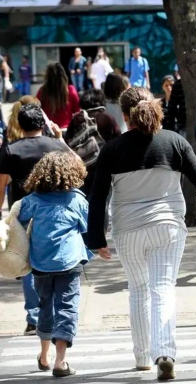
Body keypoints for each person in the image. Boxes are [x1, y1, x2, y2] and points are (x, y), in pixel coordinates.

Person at [88, 87, 196, 380]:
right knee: (163, 289)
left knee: (139, 290)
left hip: (128, 230)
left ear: (124, 115)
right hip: (168, 227)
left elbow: (98, 196)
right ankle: (164, 353)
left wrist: (96, 238)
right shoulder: (175, 142)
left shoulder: (112, 149)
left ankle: (143, 356)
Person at [19, 151, 96, 378]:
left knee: (45, 305)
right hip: (69, 262)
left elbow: (16, 221)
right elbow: (87, 228)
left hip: (40, 263)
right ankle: (60, 362)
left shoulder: (32, 199)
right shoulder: (77, 199)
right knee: (67, 307)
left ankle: (44, 356)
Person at [0, 103, 70, 338]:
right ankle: (52, 315)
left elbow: (0, 187)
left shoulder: (10, 150)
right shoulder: (55, 146)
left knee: (25, 264)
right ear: (43, 123)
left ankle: (34, 317)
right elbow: (75, 172)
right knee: (51, 262)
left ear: (20, 125)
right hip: (53, 212)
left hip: (23, 213)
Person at [65, 89, 121, 197]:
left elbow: (68, 142)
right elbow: (118, 141)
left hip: (81, 170)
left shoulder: (76, 119)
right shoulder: (107, 118)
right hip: (103, 169)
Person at [36, 63, 80, 128]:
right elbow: (77, 112)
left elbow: (36, 110)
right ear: (64, 75)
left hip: (48, 130)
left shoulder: (42, 91)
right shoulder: (71, 90)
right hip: (66, 130)